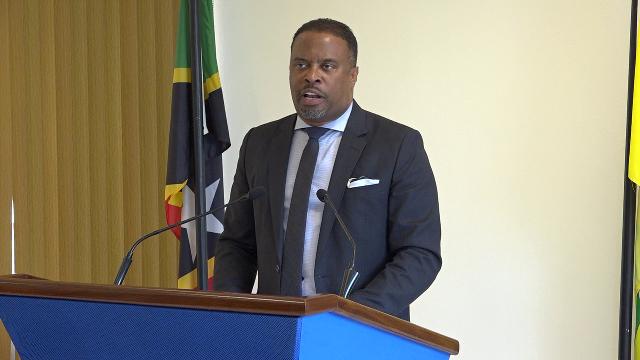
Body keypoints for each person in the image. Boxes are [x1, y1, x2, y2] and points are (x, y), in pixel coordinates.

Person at [213, 18, 441, 321]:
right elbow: (238, 243)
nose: (311, 76)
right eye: (301, 65)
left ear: (353, 75)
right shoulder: (260, 142)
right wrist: (232, 312)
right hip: (274, 327)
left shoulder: (397, 145)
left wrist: (351, 315)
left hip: (359, 331)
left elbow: (419, 253)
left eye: (327, 66)